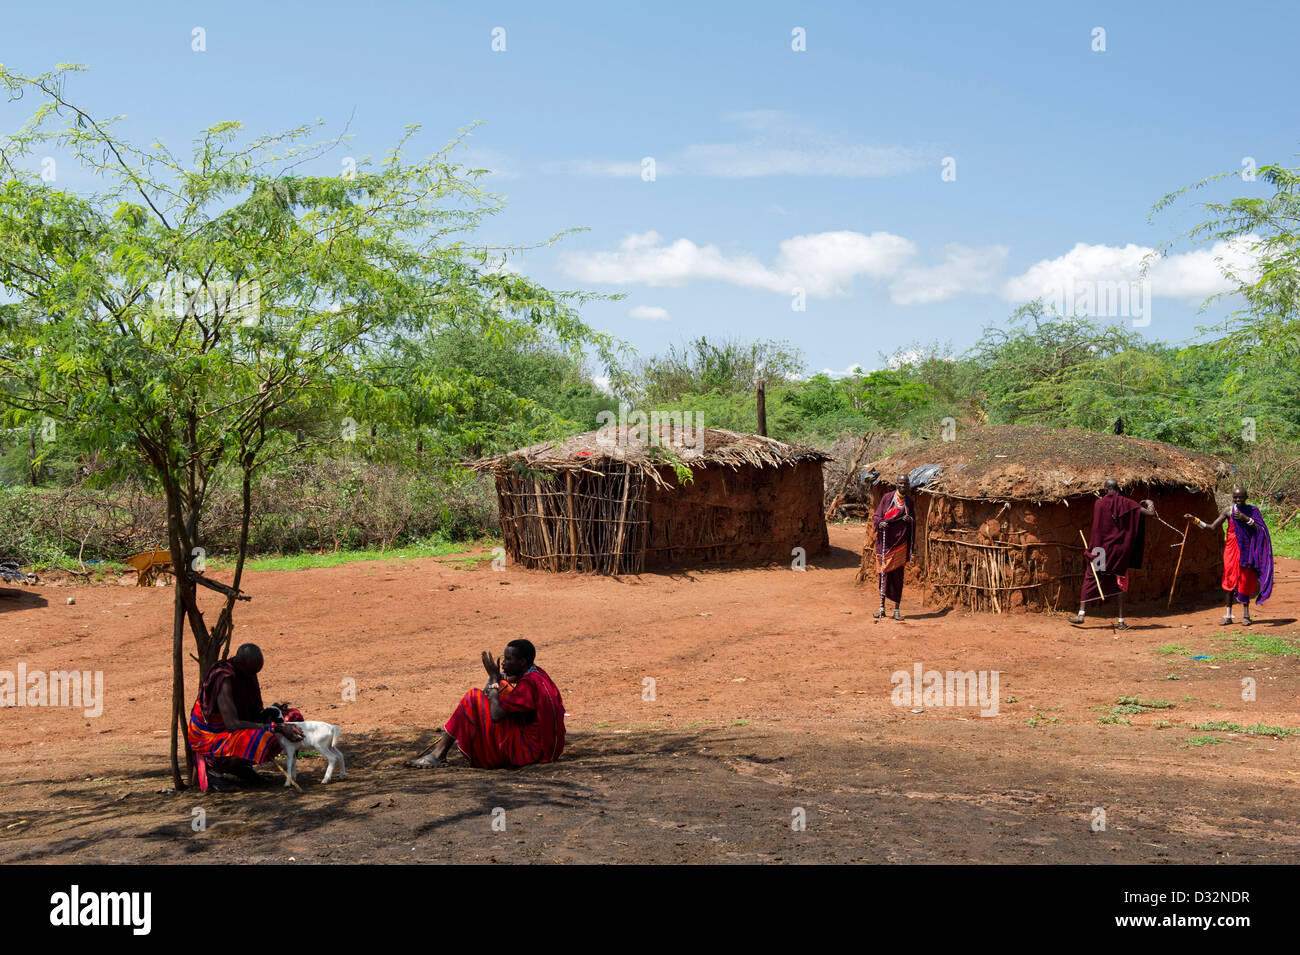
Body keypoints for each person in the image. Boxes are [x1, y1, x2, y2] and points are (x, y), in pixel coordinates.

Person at [406, 639, 565, 769]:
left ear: (522, 662)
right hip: (545, 747)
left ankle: (437, 754)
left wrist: (494, 681)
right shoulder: (537, 673)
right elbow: (503, 686)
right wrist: (497, 678)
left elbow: (495, 715)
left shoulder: (528, 685)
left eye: (508, 659)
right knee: (499, 689)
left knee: (472, 697)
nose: (503, 664)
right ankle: (438, 753)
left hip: (530, 751)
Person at [187, 643, 303, 792]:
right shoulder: (224, 679)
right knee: (262, 738)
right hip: (212, 736)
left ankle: (240, 768)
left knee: (294, 718)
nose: (253, 676)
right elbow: (232, 724)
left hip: (237, 727)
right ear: (240, 664)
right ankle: (215, 773)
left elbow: (253, 711)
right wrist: (277, 727)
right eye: (251, 672)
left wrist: (273, 712)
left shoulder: (247, 673)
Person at [1066, 478, 1156, 630]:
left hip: (1100, 551)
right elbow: (1151, 514)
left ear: (1105, 489)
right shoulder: (1128, 504)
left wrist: (1092, 550)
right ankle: (1121, 621)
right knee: (1119, 583)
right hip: (1120, 553)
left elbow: (1098, 529)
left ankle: (1081, 614)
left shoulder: (1099, 504)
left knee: (1090, 578)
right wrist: (1150, 502)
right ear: (1118, 488)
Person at [1185, 486, 1275, 625]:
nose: (1238, 500)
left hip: (1246, 551)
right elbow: (1211, 527)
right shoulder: (1228, 511)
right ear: (1232, 498)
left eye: (1241, 497)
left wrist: (1246, 519)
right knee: (1229, 580)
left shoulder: (1253, 511)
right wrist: (1195, 520)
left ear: (1246, 498)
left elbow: (1261, 529)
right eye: (1235, 497)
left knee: (1244, 580)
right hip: (1231, 550)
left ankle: (1246, 615)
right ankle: (1228, 615)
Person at [872, 474, 915, 620]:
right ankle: (882, 608)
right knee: (883, 575)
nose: (903, 486)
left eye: (906, 484)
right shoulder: (887, 498)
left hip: (900, 545)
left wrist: (910, 520)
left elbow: (914, 521)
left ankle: (897, 609)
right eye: (901, 483)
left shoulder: (909, 503)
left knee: (898, 577)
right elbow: (877, 516)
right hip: (886, 544)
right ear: (896, 484)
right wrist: (880, 523)